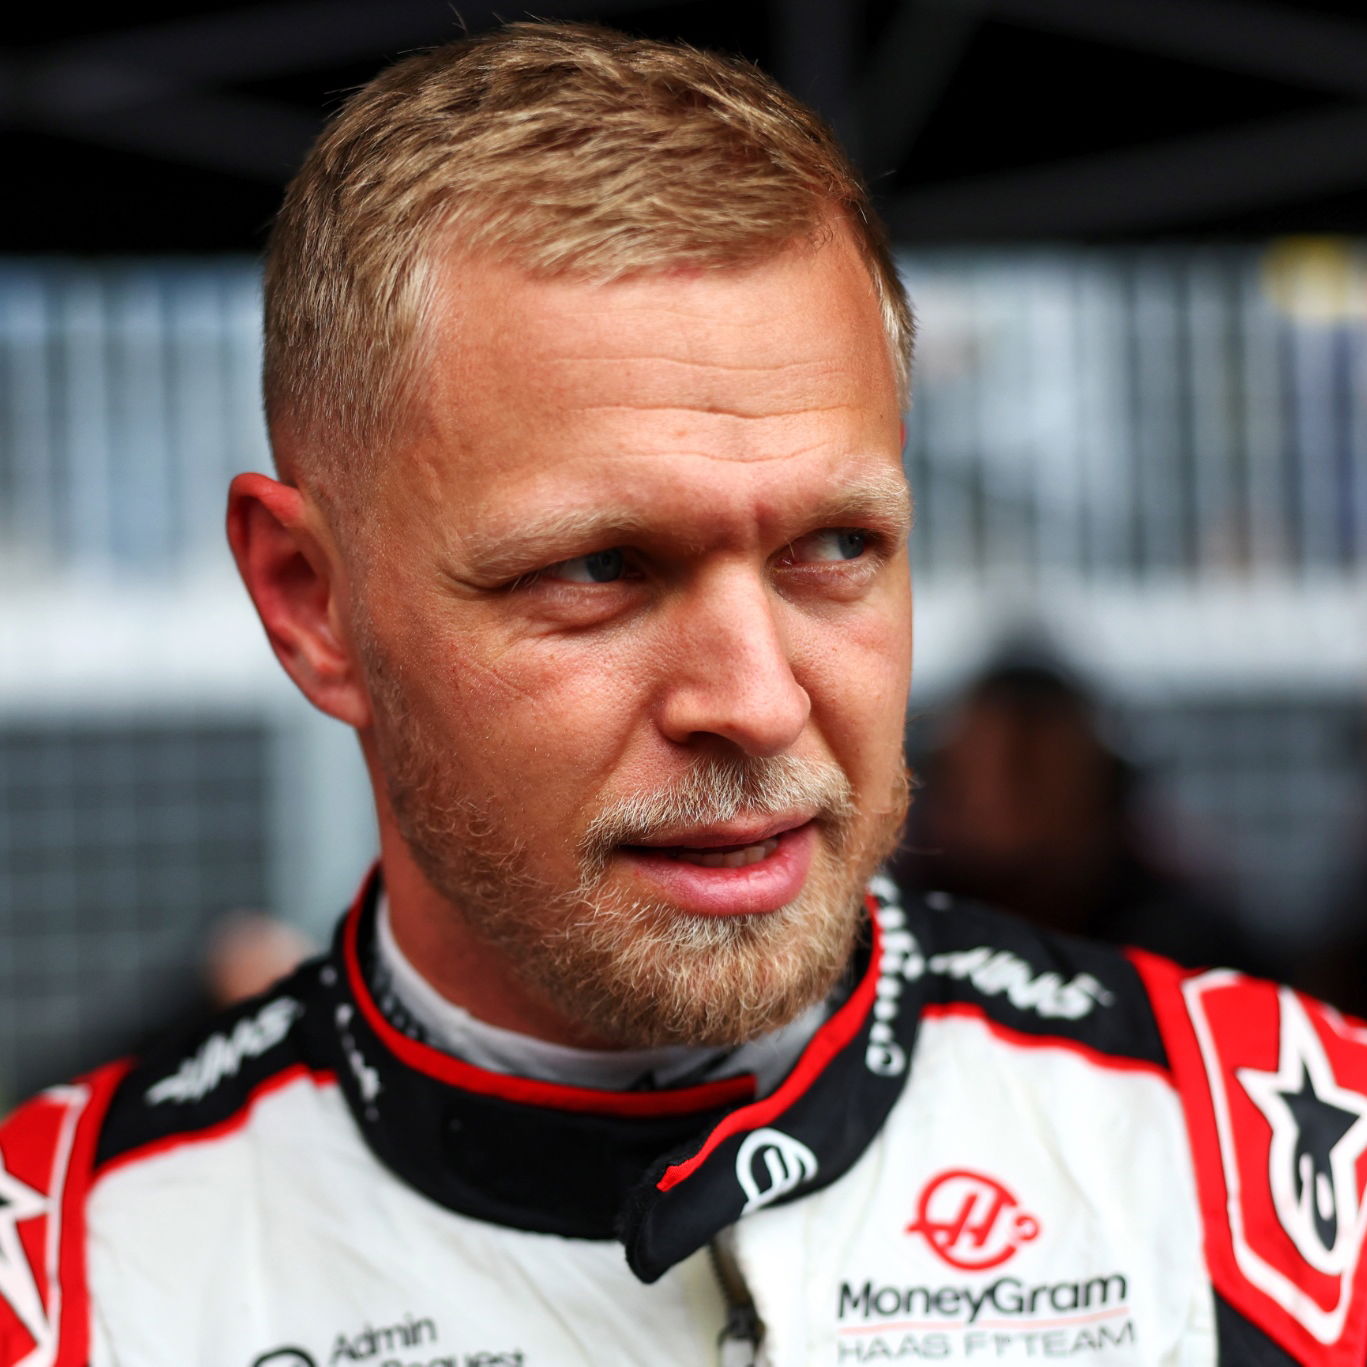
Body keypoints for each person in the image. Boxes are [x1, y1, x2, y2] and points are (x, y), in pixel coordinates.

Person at [2, 22, 1364, 1366]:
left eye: (835, 548)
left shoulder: (1290, 1169)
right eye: (599, 567)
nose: (758, 702)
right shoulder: (68, 1277)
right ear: (312, 603)